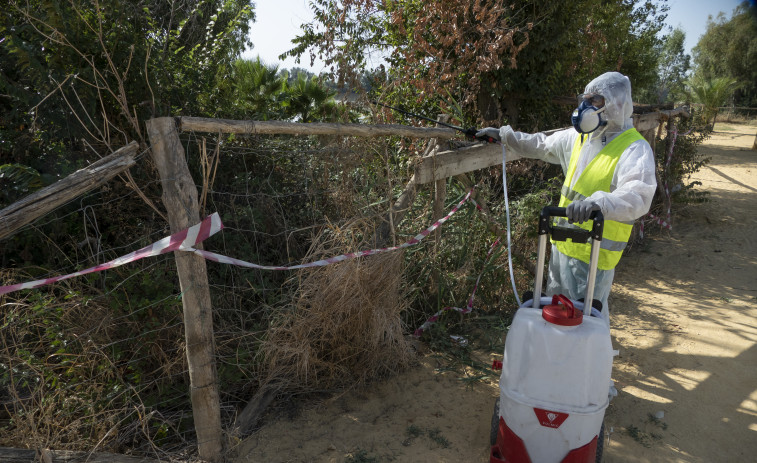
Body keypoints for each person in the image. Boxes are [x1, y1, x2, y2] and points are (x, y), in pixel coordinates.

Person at [476, 71, 656, 321]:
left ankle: (588, 361)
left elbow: (639, 194)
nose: (586, 107)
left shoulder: (634, 148)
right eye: (586, 100)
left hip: (593, 257)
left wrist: (598, 203)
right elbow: (540, 144)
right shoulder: (580, 139)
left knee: (585, 324)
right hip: (561, 249)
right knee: (554, 317)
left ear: (617, 103)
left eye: (595, 101)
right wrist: (504, 135)